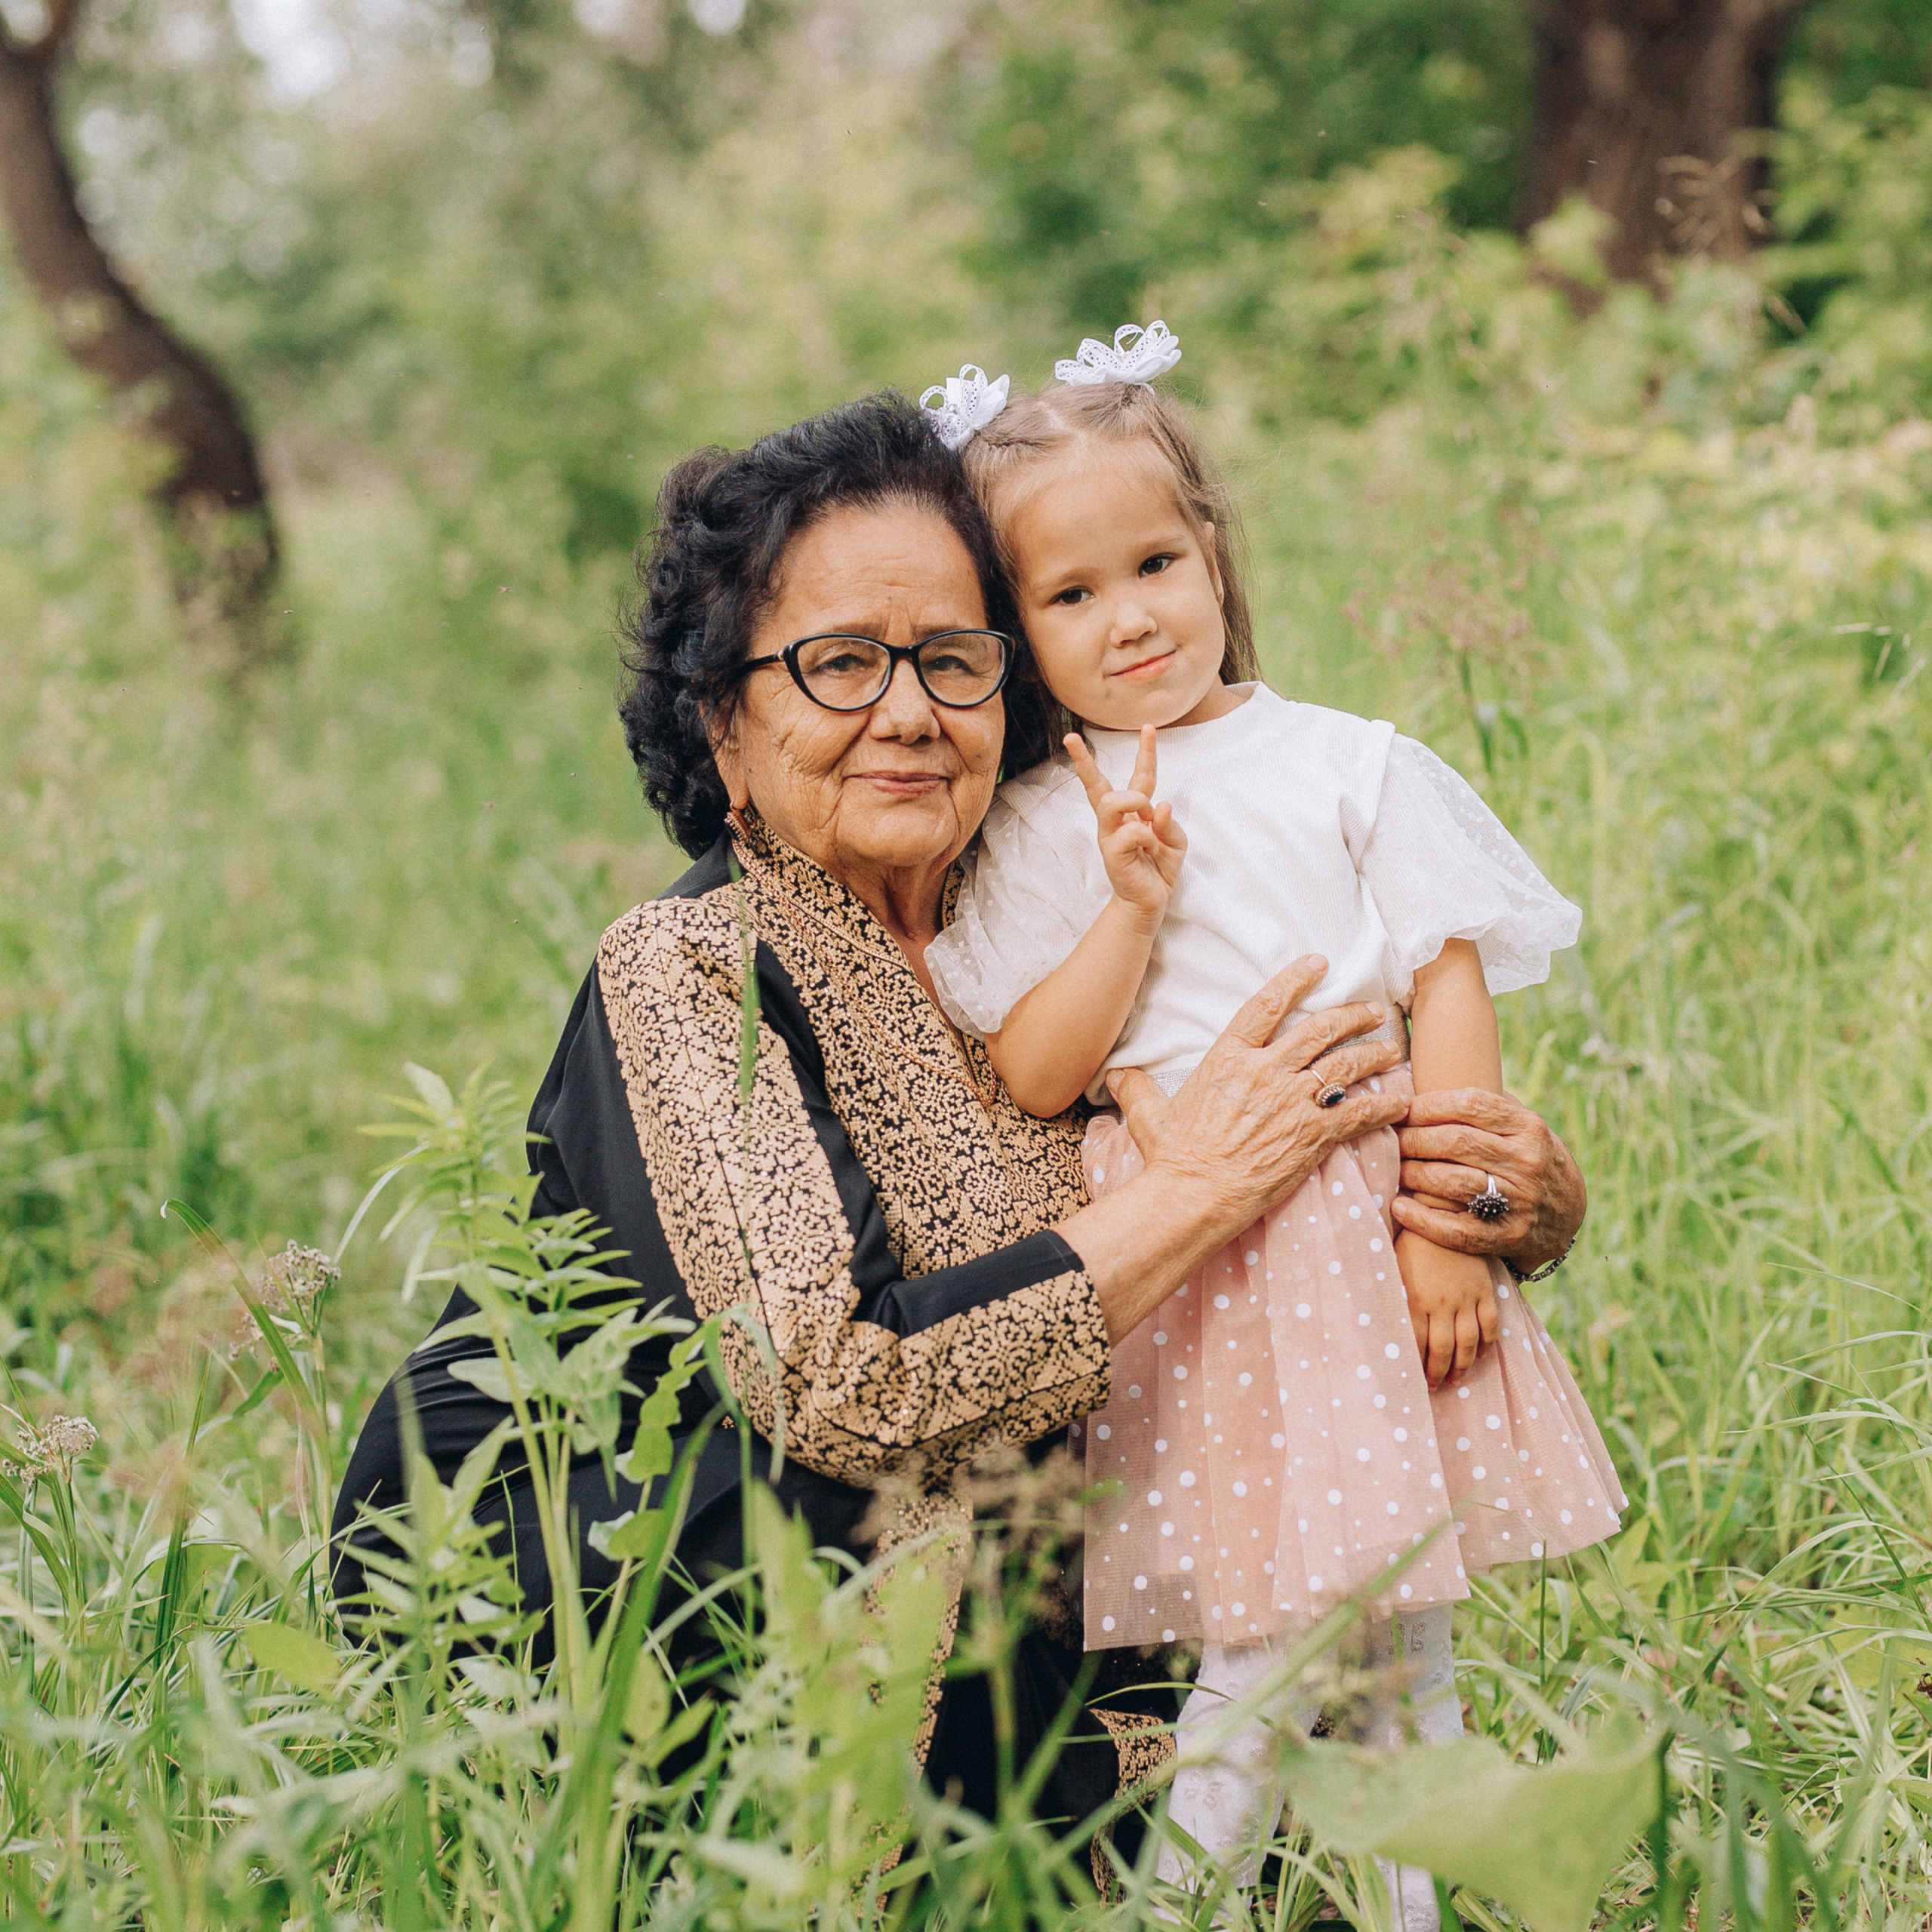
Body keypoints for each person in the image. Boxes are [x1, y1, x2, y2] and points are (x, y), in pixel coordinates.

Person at [332, 389, 1592, 1860]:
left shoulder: (1081, 927)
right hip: (690, 1648)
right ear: (723, 723)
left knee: (1301, 1825)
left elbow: (1318, 1200)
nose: (910, 709)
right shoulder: (689, 971)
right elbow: (836, 1379)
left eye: (950, 657)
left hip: (1053, 1610)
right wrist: (1193, 1187)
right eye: (838, 664)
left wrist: (1481, 1204)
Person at [921, 328, 1626, 1920]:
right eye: (1071, 594)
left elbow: (1442, 991)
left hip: (1369, 1240)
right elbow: (1037, 1070)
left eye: (1154, 561)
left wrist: (1447, 1229)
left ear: (1214, 552)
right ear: (1017, 630)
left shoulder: (1347, 763)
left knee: (1402, 1649)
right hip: (1201, 1263)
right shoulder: (1047, 816)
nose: (1130, 616)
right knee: (1257, 1630)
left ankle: (1408, 1893)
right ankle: (1188, 1890)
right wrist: (1125, 907)